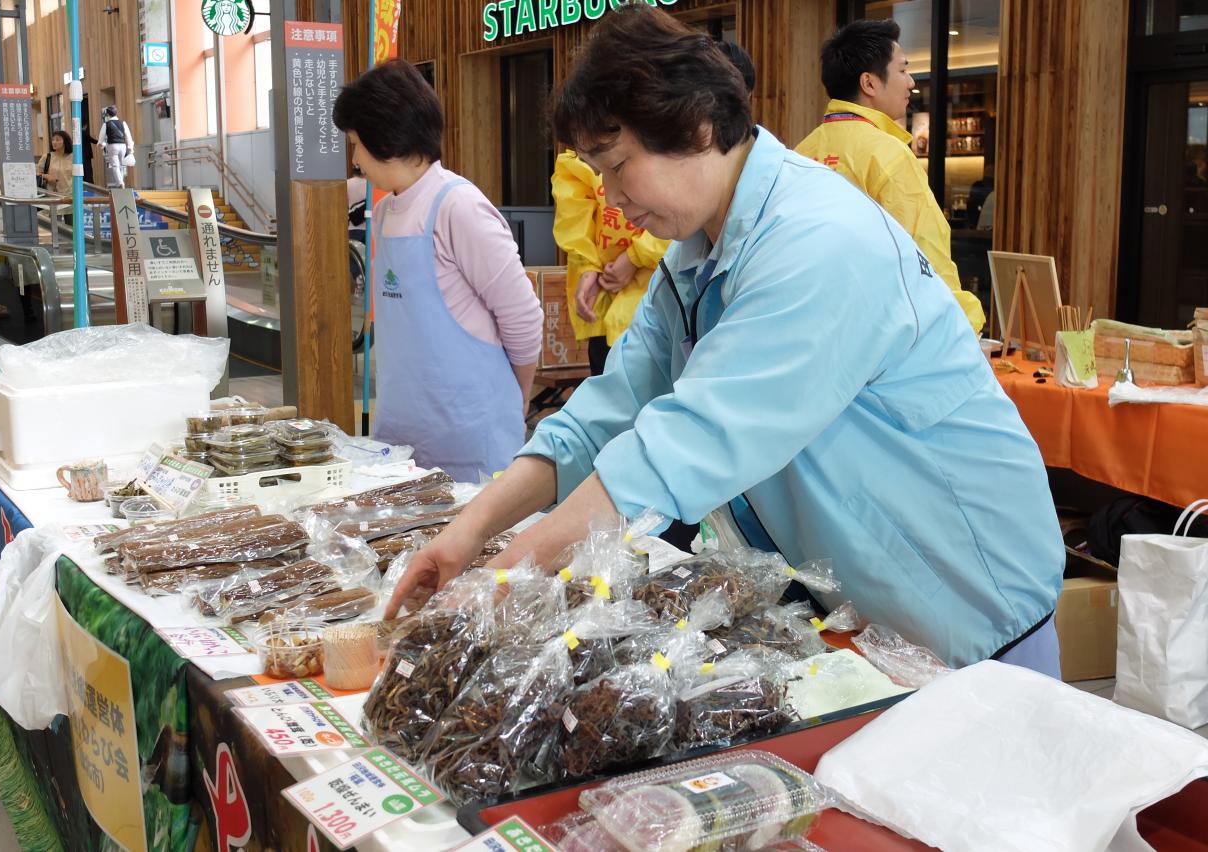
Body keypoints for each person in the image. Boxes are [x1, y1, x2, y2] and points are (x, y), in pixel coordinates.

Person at [386, 6, 1064, 675]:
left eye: (619, 166)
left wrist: (504, 576)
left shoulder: (816, 240)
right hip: (863, 609)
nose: (612, 199)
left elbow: (682, 444)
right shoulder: (693, 257)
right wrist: (467, 533)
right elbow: (606, 413)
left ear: (699, 124)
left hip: (971, 602)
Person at [331, 60, 544, 483]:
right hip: (403, 439)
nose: (354, 159)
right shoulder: (385, 210)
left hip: (471, 441)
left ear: (386, 139)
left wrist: (515, 397)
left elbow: (523, 316)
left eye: (356, 143)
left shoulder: (458, 207)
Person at [794, 20, 986, 335]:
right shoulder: (888, 155)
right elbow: (927, 258)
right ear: (869, 83)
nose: (912, 82)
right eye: (902, 70)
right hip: (875, 338)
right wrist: (965, 327)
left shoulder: (800, 153)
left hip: (809, 331)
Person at [552, 150, 670, 376]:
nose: (613, 197)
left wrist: (634, 257)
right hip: (604, 305)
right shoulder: (576, 162)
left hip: (653, 302)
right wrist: (589, 269)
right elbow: (575, 222)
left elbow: (676, 214)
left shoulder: (655, 148)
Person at [97, 106, 134, 188]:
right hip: (123, 146)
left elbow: (101, 139)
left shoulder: (106, 124)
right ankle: (121, 182)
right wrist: (130, 148)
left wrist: (102, 145)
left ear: (108, 114)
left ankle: (120, 183)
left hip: (112, 146)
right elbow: (128, 136)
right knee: (122, 165)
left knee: (115, 166)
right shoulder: (123, 123)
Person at [39, 130, 75, 194]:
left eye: (57, 140)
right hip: (51, 195)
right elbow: (37, 173)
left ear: (65, 142)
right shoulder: (47, 156)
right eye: (53, 140)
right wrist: (46, 176)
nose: (54, 142)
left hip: (70, 195)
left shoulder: (74, 157)